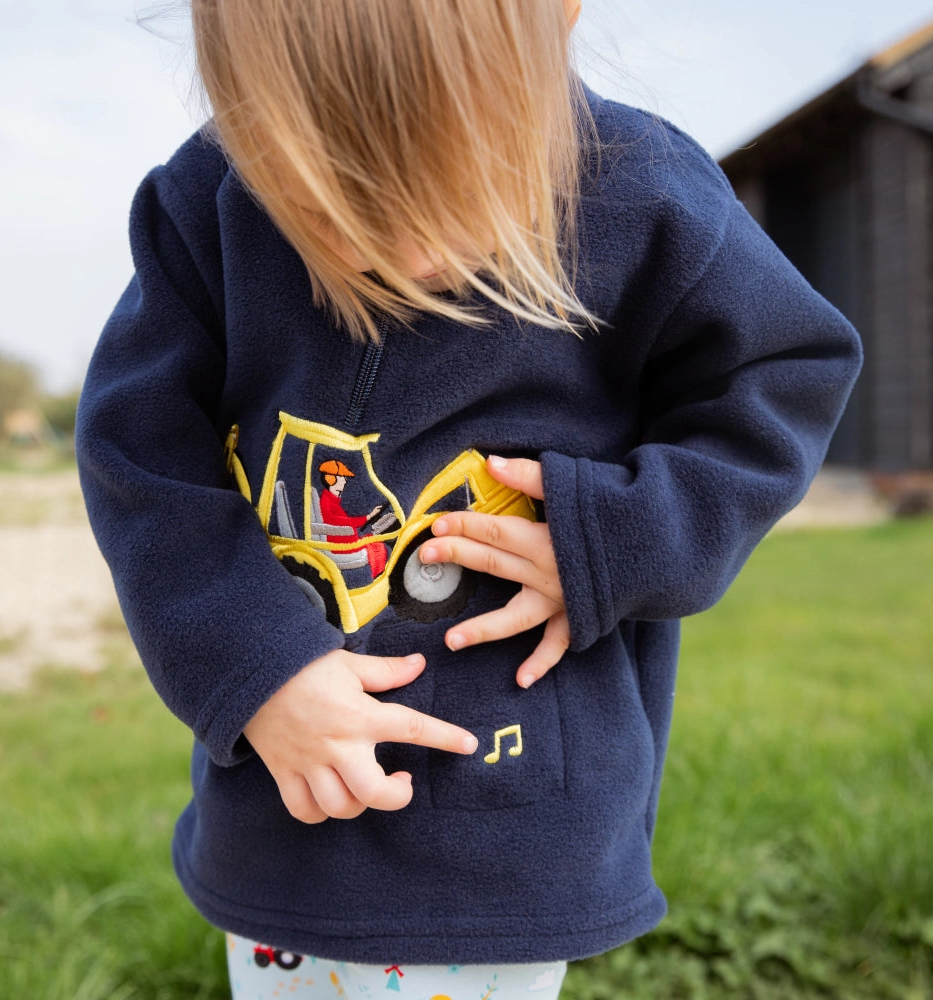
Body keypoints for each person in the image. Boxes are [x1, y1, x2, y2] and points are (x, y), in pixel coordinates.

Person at [75, 2, 862, 998]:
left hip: (516, 826)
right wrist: (256, 668)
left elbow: (782, 379)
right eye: (325, 206)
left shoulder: (642, 191)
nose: (394, 255)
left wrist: (614, 539)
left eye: (439, 193)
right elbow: (138, 453)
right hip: (285, 817)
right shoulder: (208, 204)